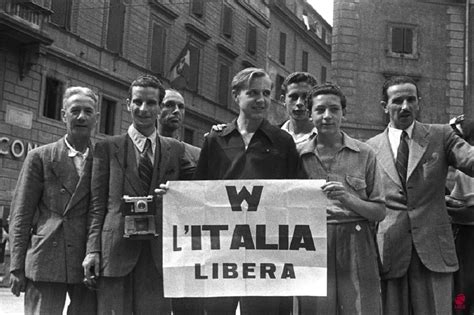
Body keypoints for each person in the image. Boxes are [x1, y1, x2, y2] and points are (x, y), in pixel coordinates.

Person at [172, 67, 299, 315]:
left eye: (266, 92)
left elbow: (296, 193)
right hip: (222, 253)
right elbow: (201, 192)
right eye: (252, 93)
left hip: (266, 253)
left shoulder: (283, 141)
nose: (261, 100)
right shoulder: (215, 139)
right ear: (236, 96)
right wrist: (174, 194)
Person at [82, 75, 195, 315]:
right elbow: (96, 205)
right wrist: (93, 250)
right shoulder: (106, 147)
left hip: (157, 256)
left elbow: (199, 186)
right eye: (138, 102)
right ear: (128, 104)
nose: (143, 109)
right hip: (115, 252)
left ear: (160, 106)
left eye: (151, 103)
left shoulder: (175, 149)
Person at [366, 76, 474, 315]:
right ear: (384, 105)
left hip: (434, 251)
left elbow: (470, 160)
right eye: (397, 101)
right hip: (390, 253)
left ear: (419, 103)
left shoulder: (441, 136)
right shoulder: (369, 149)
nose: (405, 106)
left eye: (411, 99)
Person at [9, 86, 99, 314]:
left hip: (87, 260)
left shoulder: (104, 158)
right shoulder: (40, 157)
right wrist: (16, 266)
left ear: (96, 118)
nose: (81, 116)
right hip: (46, 256)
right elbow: (21, 214)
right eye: (75, 110)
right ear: (63, 115)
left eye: (88, 111)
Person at [298, 83, 385, 314]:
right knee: (315, 309)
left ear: (343, 113)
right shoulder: (297, 154)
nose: (327, 116)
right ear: (310, 114)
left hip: (356, 239)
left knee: (361, 308)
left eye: (334, 109)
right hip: (311, 242)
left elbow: (379, 211)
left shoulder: (364, 153)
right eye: (320, 110)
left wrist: (348, 198)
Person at [446, 116, 474, 314]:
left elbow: (465, 209)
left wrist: (445, 203)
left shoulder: (466, 170)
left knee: (463, 287)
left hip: (467, 236)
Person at [159, 89, 200, 166]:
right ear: (157, 109)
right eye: (169, 105)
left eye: (181, 107)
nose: (176, 111)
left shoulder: (196, 155)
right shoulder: (143, 150)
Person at [279, 72, 318, 150]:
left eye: (305, 97)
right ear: (283, 100)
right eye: (294, 97)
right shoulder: (271, 137)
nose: (299, 103)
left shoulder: (325, 139)